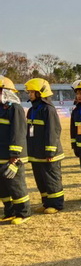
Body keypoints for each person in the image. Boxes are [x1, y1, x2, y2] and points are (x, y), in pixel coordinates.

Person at [25, 78, 64, 214]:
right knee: (41, 180)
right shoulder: (32, 110)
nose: (29, 94)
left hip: (48, 154)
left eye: (32, 92)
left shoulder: (48, 109)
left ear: (40, 92)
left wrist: (50, 151)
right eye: (29, 92)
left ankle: (56, 204)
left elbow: (53, 131)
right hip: (36, 153)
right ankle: (46, 203)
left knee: (52, 179)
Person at [0, 76, 31, 224]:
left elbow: (18, 133)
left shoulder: (15, 109)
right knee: (2, 187)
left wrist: (14, 155)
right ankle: (9, 211)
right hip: (1, 154)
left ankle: (23, 213)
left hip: (12, 157)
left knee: (16, 186)